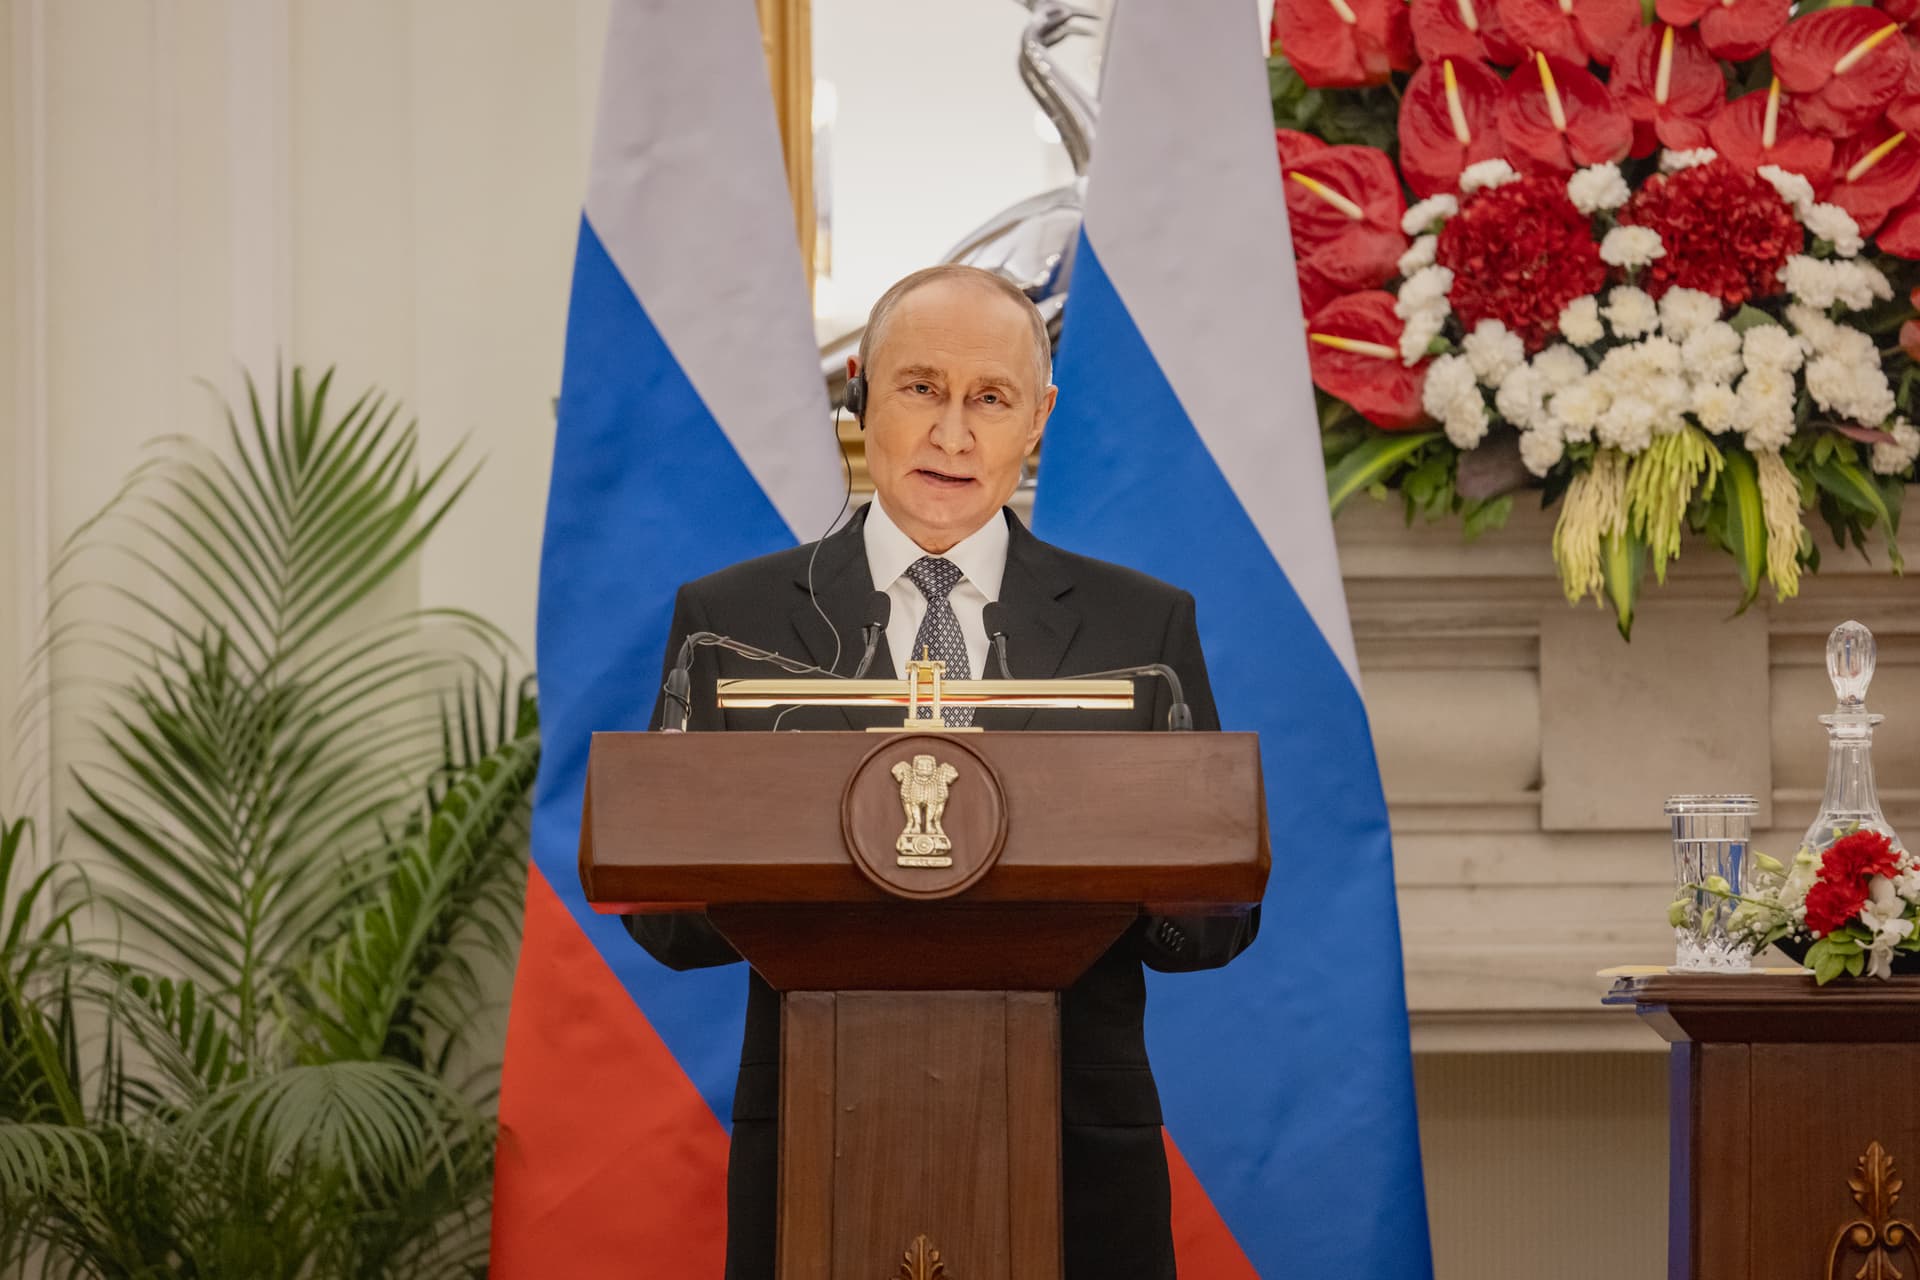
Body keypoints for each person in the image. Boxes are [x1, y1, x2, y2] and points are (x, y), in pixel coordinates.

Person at [628, 264, 1260, 1280]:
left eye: (991, 398)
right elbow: (666, 917)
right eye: (922, 386)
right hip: (818, 1144)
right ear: (858, 392)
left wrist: (1150, 877)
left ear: (1038, 419)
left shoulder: (1139, 630)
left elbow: (1210, 928)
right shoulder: (731, 627)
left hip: (1078, 1157)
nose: (954, 435)